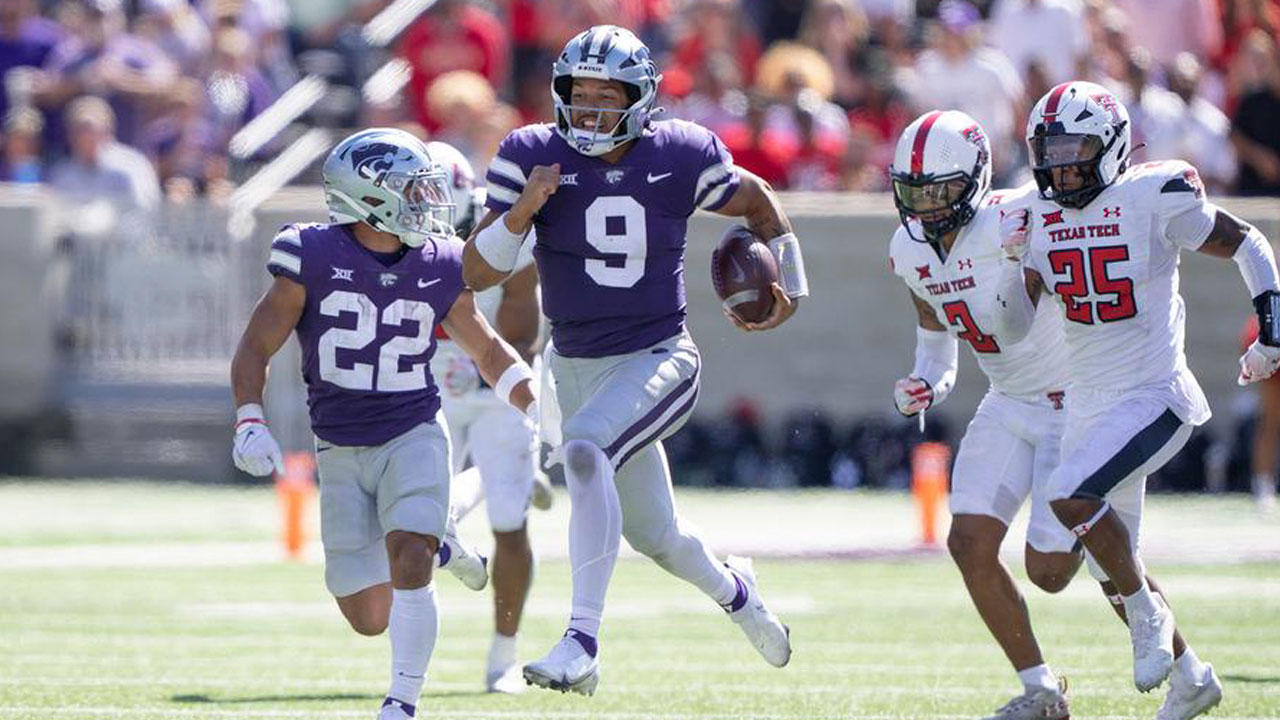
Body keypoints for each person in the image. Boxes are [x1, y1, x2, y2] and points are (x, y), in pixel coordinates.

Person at [462, 25, 809, 696]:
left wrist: (790, 285)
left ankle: (581, 642)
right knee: (659, 536)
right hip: (573, 364)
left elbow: (757, 200)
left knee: (587, 450)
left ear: (641, 99)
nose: (590, 110)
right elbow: (476, 274)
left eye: (606, 95)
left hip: (658, 356)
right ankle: (741, 594)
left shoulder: (678, 154)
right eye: (579, 94)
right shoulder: (530, 152)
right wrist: (523, 210)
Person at [993, 80, 1280, 720]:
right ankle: (1192, 678)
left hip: (1156, 395)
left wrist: (1273, 331)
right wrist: (1013, 260)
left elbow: (1249, 243)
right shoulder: (1034, 213)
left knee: (1072, 495)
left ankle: (1150, 616)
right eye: (1049, 150)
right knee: (1109, 568)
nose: (1058, 164)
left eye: (1073, 148)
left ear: (1112, 145)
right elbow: (1011, 327)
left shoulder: (1151, 195)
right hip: (1092, 404)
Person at [229, 127, 537, 720]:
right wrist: (249, 419)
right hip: (338, 446)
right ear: (369, 195)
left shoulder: (441, 260)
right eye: (412, 188)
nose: (428, 199)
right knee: (368, 616)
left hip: (413, 430)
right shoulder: (309, 254)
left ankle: (402, 702)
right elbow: (255, 344)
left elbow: (489, 350)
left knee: (409, 559)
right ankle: (443, 543)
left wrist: (537, 407)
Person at [888, 110, 1079, 720]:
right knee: (968, 541)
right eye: (912, 190)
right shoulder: (907, 248)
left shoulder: (1016, 217)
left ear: (973, 179)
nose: (924, 204)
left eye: (939, 188)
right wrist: (924, 383)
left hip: (1072, 401)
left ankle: (1179, 659)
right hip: (1006, 400)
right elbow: (938, 347)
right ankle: (1041, 690)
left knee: (1051, 572)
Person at [423, 139, 548, 693]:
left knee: (507, 519)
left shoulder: (503, 233)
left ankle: (504, 653)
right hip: (433, 374)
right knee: (417, 509)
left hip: (497, 371)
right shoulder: (391, 238)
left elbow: (521, 328)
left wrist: (484, 366)